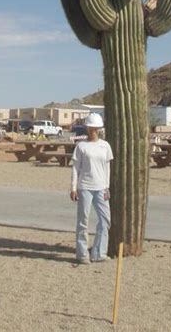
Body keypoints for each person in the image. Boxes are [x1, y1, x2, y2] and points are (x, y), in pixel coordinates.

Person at [70, 113, 113, 264]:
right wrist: (73, 188)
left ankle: (99, 252)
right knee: (83, 220)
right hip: (85, 187)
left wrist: (107, 187)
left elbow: (107, 167)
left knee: (105, 220)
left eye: (95, 128)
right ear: (87, 128)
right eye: (90, 128)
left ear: (99, 129)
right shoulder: (81, 146)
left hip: (101, 188)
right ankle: (82, 254)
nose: (93, 130)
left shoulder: (105, 146)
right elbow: (75, 168)